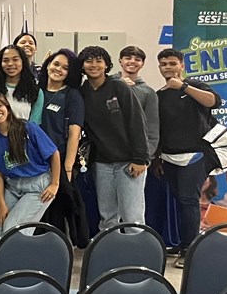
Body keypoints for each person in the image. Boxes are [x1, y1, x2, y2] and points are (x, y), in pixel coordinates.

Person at [156, 48, 222, 265]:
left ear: (182, 65)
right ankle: (182, 243)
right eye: (164, 64)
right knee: (179, 200)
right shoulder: (159, 95)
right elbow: (159, 129)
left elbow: (214, 102)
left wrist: (184, 87)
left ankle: (190, 250)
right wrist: (157, 158)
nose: (168, 67)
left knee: (188, 200)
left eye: (172, 63)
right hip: (168, 156)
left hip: (194, 155)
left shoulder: (195, 85)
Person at [79, 45, 149, 231]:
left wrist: (140, 158)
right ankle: (109, 249)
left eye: (99, 61)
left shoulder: (119, 86)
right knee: (107, 216)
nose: (94, 65)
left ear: (106, 65)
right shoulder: (82, 93)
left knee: (132, 216)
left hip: (129, 161)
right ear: (82, 65)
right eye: (89, 61)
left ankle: (138, 249)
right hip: (101, 163)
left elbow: (137, 122)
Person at [0, 93, 61, 234]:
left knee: (13, 231)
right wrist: (2, 203)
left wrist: (55, 184)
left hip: (37, 185)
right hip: (12, 186)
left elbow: (54, 153)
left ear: (7, 107)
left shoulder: (28, 128)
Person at [37, 49, 85, 241]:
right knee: (39, 207)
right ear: (48, 64)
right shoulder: (36, 91)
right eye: (56, 64)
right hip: (36, 159)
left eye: (65, 68)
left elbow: (74, 133)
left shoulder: (72, 95)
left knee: (58, 209)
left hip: (61, 158)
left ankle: (60, 249)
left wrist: (67, 167)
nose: (58, 69)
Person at [0, 45, 44, 124]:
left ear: (23, 62)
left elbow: (34, 124)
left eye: (15, 59)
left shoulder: (35, 91)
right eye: (5, 60)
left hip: (23, 132)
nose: (10, 63)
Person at [116, 45, 160, 165]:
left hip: (135, 157)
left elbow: (152, 128)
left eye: (137, 59)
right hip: (106, 156)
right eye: (128, 58)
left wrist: (144, 158)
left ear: (142, 63)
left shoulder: (148, 93)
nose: (132, 61)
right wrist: (119, 85)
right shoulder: (108, 85)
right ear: (120, 61)